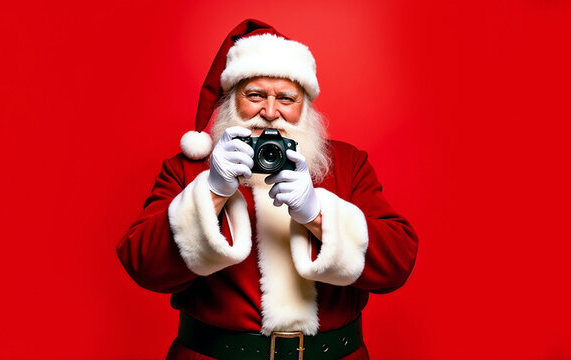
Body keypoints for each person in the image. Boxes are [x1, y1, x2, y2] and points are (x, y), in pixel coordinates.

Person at [117, 19, 418, 360]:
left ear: (305, 105)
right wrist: (212, 191)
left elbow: (398, 263)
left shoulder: (346, 163)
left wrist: (317, 214)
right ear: (232, 100)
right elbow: (142, 265)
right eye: (256, 95)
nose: (271, 112)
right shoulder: (189, 168)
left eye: (286, 98)